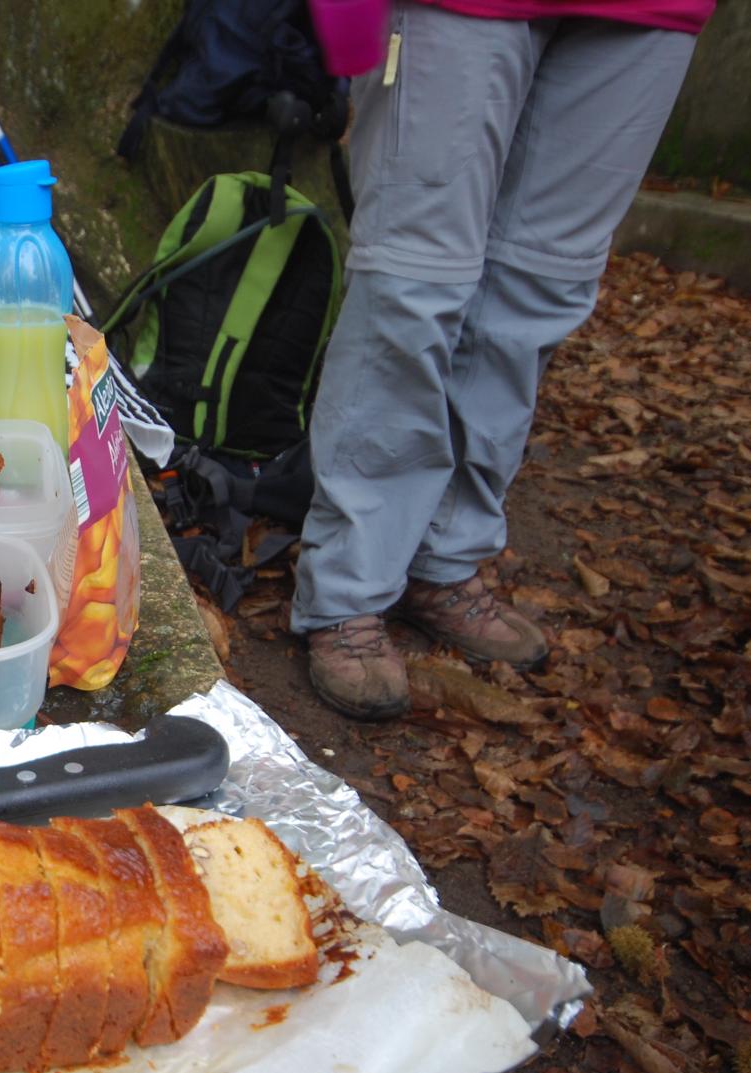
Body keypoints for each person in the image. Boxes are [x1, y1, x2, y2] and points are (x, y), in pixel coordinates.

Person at [291, 0, 713, 719]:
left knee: (541, 285)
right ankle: (348, 590)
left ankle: (444, 558)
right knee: (412, 280)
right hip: (454, 8)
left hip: (650, 14)